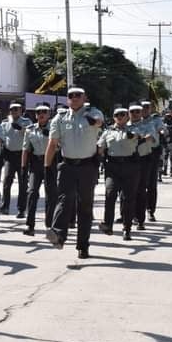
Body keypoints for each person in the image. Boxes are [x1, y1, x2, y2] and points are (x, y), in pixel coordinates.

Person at [44, 87, 104, 259]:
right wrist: (47, 167)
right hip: (67, 165)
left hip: (87, 166)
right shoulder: (60, 118)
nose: (75, 98)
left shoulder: (93, 113)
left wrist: (90, 118)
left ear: (85, 97)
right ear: (67, 99)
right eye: (71, 96)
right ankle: (58, 235)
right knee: (64, 200)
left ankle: (83, 245)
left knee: (85, 207)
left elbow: (99, 122)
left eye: (78, 95)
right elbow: (52, 143)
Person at [97, 108, 140, 240]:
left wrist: (132, 135)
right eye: (117, 115)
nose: (120, 117)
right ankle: (108, 225)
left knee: (128, 198)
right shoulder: (107, 132)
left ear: (127, 117)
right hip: (112, 167)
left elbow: (139, 136)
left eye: (122, 115)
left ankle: (127, 229)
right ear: (113, 117)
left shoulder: (134, 129)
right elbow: (100, 148)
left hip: (130, 166)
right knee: (110, 195)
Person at [22, 105, 56, 236]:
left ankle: (49, 224)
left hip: (51, 163)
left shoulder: (54, 128)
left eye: (44, 112)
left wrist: (53, 139)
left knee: (51, 195)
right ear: (35, 115)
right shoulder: (30, 130)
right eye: (38, 112)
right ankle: (30, 225)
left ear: (49, 114)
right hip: (36, 164)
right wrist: (23, 167)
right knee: (32, 193)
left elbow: (60, 146)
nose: (41, 114)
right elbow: (25, 149)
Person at [127, 104, 157, 231]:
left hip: (143, 160)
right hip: (127, 160)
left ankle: (140, 219)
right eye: (132, 111)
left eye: (138, 111)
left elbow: (151, 138)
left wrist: (139, 140)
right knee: (128, 190)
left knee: (140, 189)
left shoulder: (148, 125)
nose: (135, 113)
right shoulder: (124, 125)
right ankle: (128, 215)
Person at [0, 102, 32, 218]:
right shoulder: (5, 123)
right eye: (12, 109)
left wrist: (21, 129)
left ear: (21, 110)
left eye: (16, 109)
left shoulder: (26, 122)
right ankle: (5, 207)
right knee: (7, 181)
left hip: (22, 155)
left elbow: (31, 134)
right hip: (9, 155)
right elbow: (1, 137)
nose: (14, 111)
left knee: (23, 183)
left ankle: (21, 209)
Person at [142, 101, 164, 220]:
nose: (144, 109)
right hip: (138, 153)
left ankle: (150, 210)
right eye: (142, 107)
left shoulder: (155, 120)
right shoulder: (135, 120)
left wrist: (161, 132)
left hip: (152, 153)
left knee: (151, 184)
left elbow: (162, 129)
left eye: (147, 107)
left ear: (150, 109)